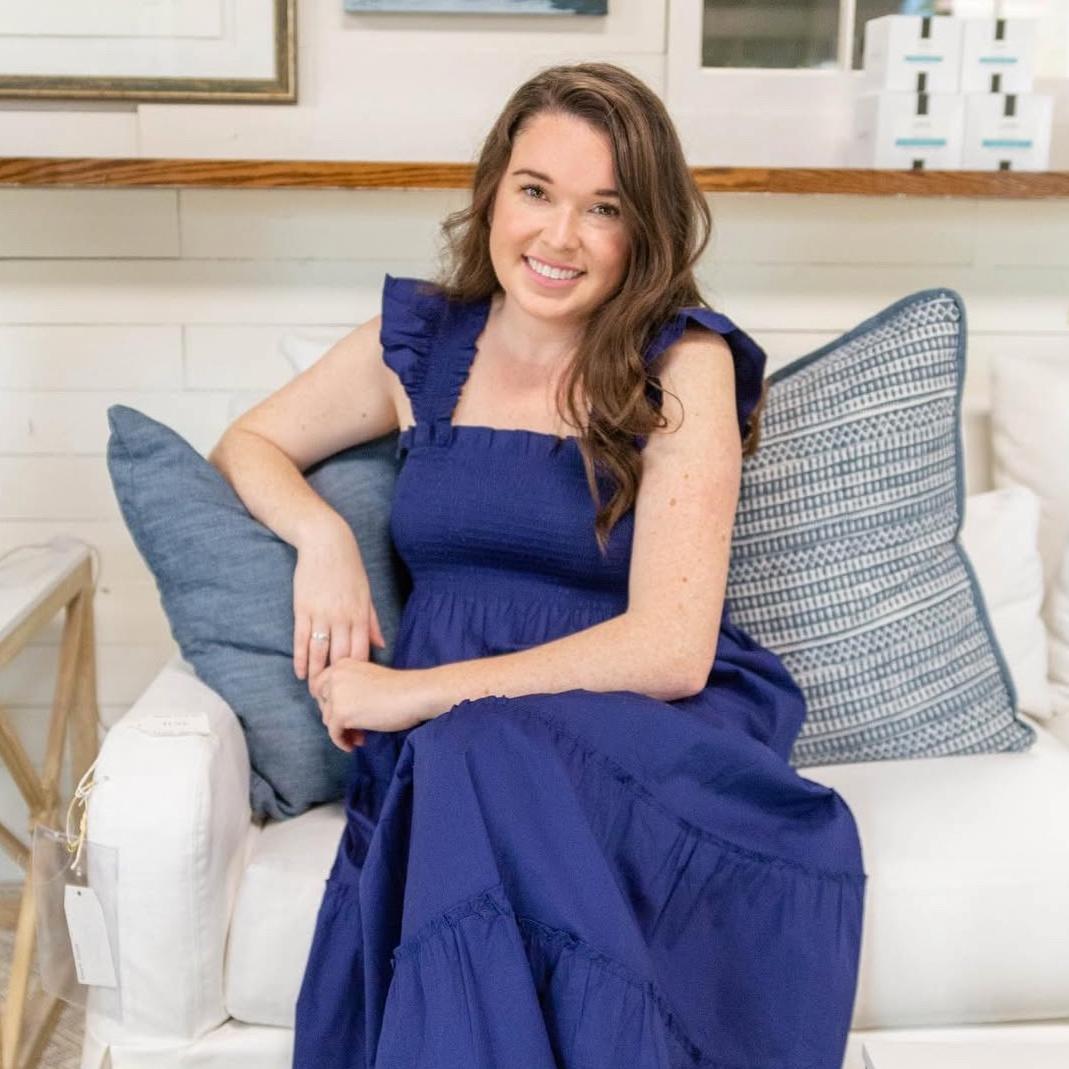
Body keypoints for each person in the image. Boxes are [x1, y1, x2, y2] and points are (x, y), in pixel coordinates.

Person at [210, 61, 866, 1069]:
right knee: (465, 759)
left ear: (643, 231)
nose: (559, 237)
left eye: (603, 208)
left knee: (474, 751)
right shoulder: (420, 344)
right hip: (449, 747)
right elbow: (248, 444)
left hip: (631, 729)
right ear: (492, 192)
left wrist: (414, 693)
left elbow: (670, 650)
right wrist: (324, 538)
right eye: (535, 191)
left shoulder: (680, 362)